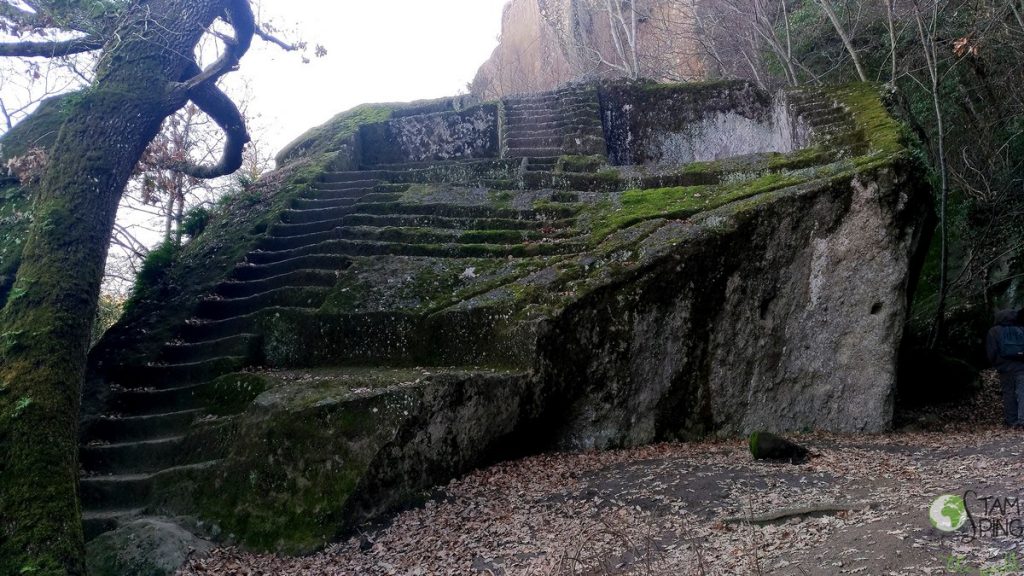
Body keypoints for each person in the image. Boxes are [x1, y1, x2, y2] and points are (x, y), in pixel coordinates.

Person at [986, 308, 1024, 427]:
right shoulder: (1021, 329)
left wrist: (996, 364)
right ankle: (1022, 420)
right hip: (1021, 367)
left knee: (1009, 394)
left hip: (1004, 368)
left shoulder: (994, 331)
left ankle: (1012, 421)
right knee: (1022, 393)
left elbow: (991, 351)